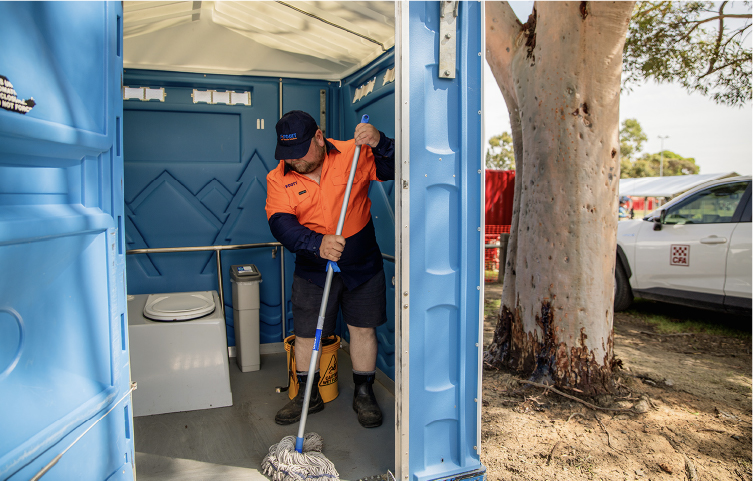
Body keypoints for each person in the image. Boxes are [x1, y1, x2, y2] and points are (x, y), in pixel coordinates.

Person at [265, 110, 395, 428]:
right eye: (288, 155)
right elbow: (280, 223)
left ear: (320, 137)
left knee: (363, 329)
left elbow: (396, 168)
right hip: (313, 265)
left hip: (362, 262)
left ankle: (363, 393)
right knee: (307, 333)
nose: (294, 161)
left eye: (300, 152)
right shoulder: (277, 178)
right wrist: (315, 242)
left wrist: (381, 142)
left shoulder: (355, 152)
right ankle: (307, 395)